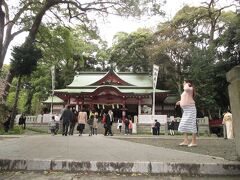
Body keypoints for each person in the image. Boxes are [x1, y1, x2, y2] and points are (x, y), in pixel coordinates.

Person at [176, 80, 197, 147]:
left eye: (184, 82)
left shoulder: (190, 88)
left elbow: (186, 88)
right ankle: (186, 141)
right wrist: (180, 102)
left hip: (191, 109)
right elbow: (185, 98)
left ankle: (194, 142)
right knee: (183, 124)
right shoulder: (186, 91)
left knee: (192, 124)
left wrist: (187, 84)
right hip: (185, 110)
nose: (183, 83)